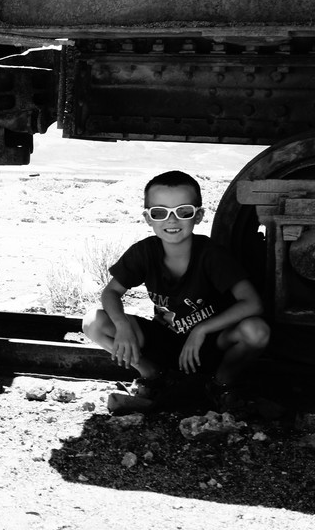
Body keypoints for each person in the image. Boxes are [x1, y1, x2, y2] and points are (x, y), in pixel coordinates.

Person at [82, 170, 271, 412]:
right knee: (93, 322)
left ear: (199, 215)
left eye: (183, 212)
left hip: (210, 345)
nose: (172, 221)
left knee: (256, 331)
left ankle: (221, 384)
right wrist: (122, 324)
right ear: (148, 218)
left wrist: (201, 330)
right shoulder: (144, 252)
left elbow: (252, 303)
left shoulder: (212, 255)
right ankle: (153, 376)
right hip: (163, 342)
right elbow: (111, 292)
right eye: (160, 213)